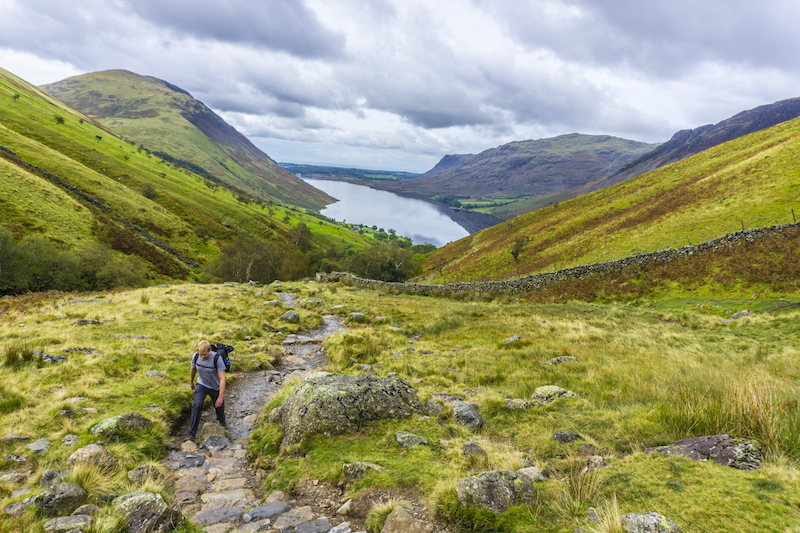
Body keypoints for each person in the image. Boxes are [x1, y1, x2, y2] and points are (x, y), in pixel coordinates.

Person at [188, 340, 227, 441]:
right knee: (197, 405)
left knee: (219, 407)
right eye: (200, 354)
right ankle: (191, 434)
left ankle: (223, 426)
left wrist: (220, 397)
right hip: (202, 384)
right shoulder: (196, 356)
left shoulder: (217, 358)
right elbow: (193, 369)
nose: (202, 357)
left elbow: (222, 378)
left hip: (215, 387)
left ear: (209, 350)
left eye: (204, 355)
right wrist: (191, 381)